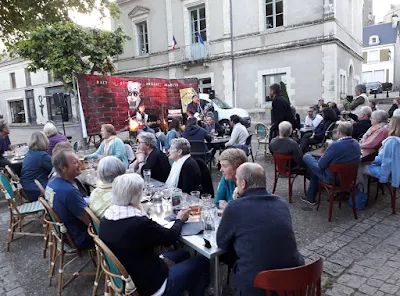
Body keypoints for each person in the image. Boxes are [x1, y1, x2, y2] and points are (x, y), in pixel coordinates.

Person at [99, 173, 210, 296]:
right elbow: (169, 238)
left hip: (130, 275)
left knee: (184, 254)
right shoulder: (139, 223)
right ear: (135, 196)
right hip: (151, 286)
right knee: (202, 262)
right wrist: (180, 219)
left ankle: (184, 285)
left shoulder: (106, 219)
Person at [217, 163, 304, 296]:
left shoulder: (234, 207)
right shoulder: (281, 203)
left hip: (260, 286)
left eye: (237, 180)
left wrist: (236, 201)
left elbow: (221, 243)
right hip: (294, 280)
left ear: (243, 184)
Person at [301, 122, 361, 204]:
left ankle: (311, 196)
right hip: (349, 178)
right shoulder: (356, 143)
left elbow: (321, 166)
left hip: (333, 179)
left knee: (307, 157)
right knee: (317, 168)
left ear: (339, 132)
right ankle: (310, 196)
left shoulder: (335, 145)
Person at [45, 150, 93, 249]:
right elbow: (89, 221)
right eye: (75, 162)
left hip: (63, 233)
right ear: (63, 168)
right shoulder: (69, 192)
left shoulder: (52, 183)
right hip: (79, 238)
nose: (80, 163)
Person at [357, 115, 400, 195]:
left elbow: (384, 160)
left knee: (359, 167)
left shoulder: (391, 141)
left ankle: (362, 192)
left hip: (389, 172)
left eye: (389, 123)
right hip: (396, 170)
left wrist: (373, 161)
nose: (388, 125)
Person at [20, 132, 53, 201]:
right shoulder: (42, 156)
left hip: (27, 187)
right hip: (37, 189)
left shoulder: (29, 153)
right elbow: (56, 168)